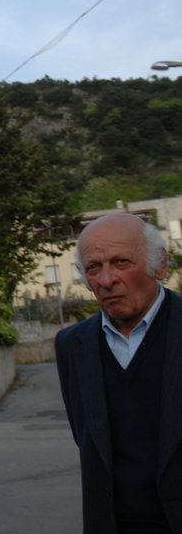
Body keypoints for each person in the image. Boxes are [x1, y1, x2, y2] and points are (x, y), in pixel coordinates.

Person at [56, 213, 182, 533]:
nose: (106, 279)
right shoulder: (72, 345)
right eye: (94, 268)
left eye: (121, 261)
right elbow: (86, 437)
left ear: (161, 266)